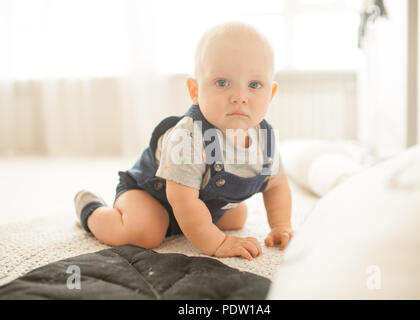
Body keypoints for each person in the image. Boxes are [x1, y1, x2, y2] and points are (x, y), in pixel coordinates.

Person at [74, 22, 293, 260]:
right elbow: (182, 200)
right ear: (195, 90)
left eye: (254, 85)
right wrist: (217, 243)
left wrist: (280, 225)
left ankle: (189, 225)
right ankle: (92, 210)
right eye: (222, 83)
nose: (240, 97)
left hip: (201, 201)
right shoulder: (189, 136)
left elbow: (276, 184)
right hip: (152, 194)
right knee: (145, 232)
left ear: (270, 93)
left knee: (237, 216)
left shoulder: (265, 139)